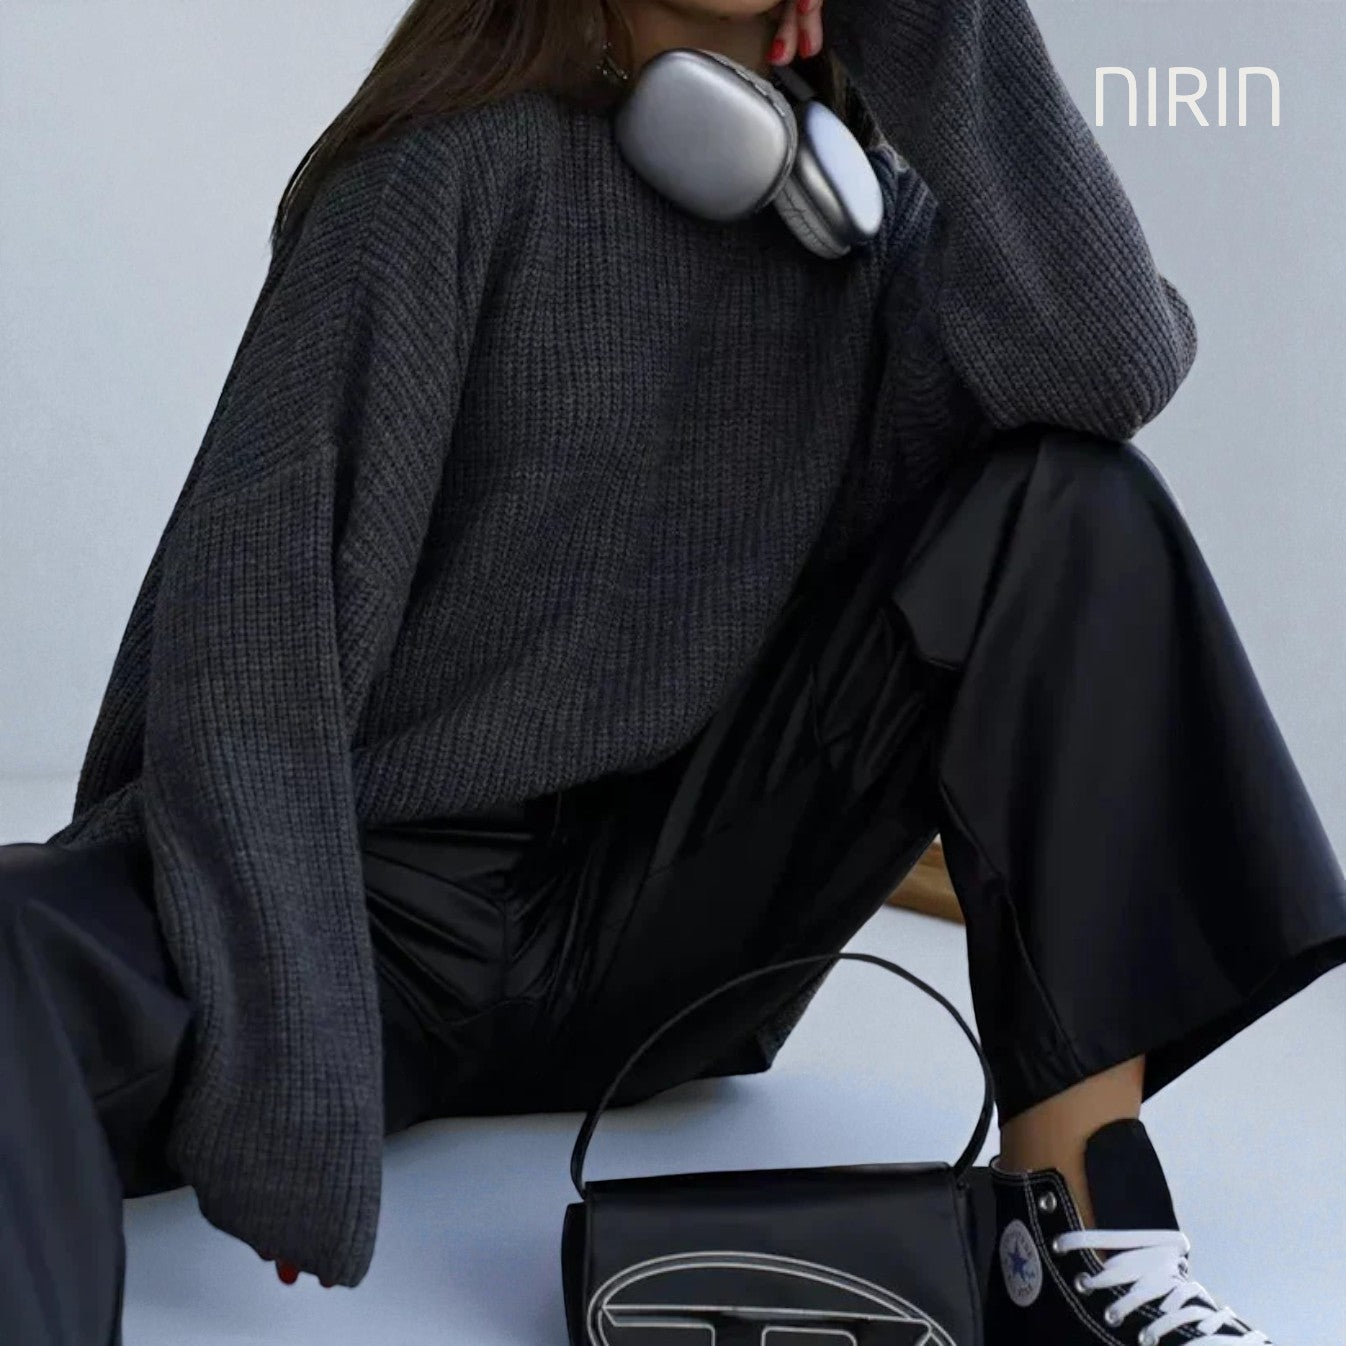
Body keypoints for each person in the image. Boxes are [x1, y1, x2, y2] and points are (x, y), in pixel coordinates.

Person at [3, 0, 1343, 1340]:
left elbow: (1108, 368)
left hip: (668, 931)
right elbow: (252, 651)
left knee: (1070, 502)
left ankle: (1078, 1229)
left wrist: (937, 26)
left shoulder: (852, 217)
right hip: (370, 927)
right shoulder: (437, 180)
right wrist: (288, 1062)